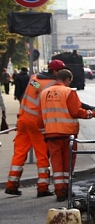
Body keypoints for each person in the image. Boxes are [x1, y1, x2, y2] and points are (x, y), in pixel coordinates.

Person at [5, 59, 65, 197]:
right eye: (60, 70)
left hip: (22, 119)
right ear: (55, 71)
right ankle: (43, 187)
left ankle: (11, 185)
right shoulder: (51, 85)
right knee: (42, 154)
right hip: (36, 123)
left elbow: (34, 90)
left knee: (19, 153)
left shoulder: (35, 78)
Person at [39, 69, 95, 201]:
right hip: (67, 134)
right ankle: (66, 188)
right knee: (68, 164)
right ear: (67, 80)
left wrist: (44, 132)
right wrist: (92, 113)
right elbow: (76, 111)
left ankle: (59, 191)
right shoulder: (69, 92)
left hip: (51, 134)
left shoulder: (44, 93)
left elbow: (40, 116)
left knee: (56, 164)